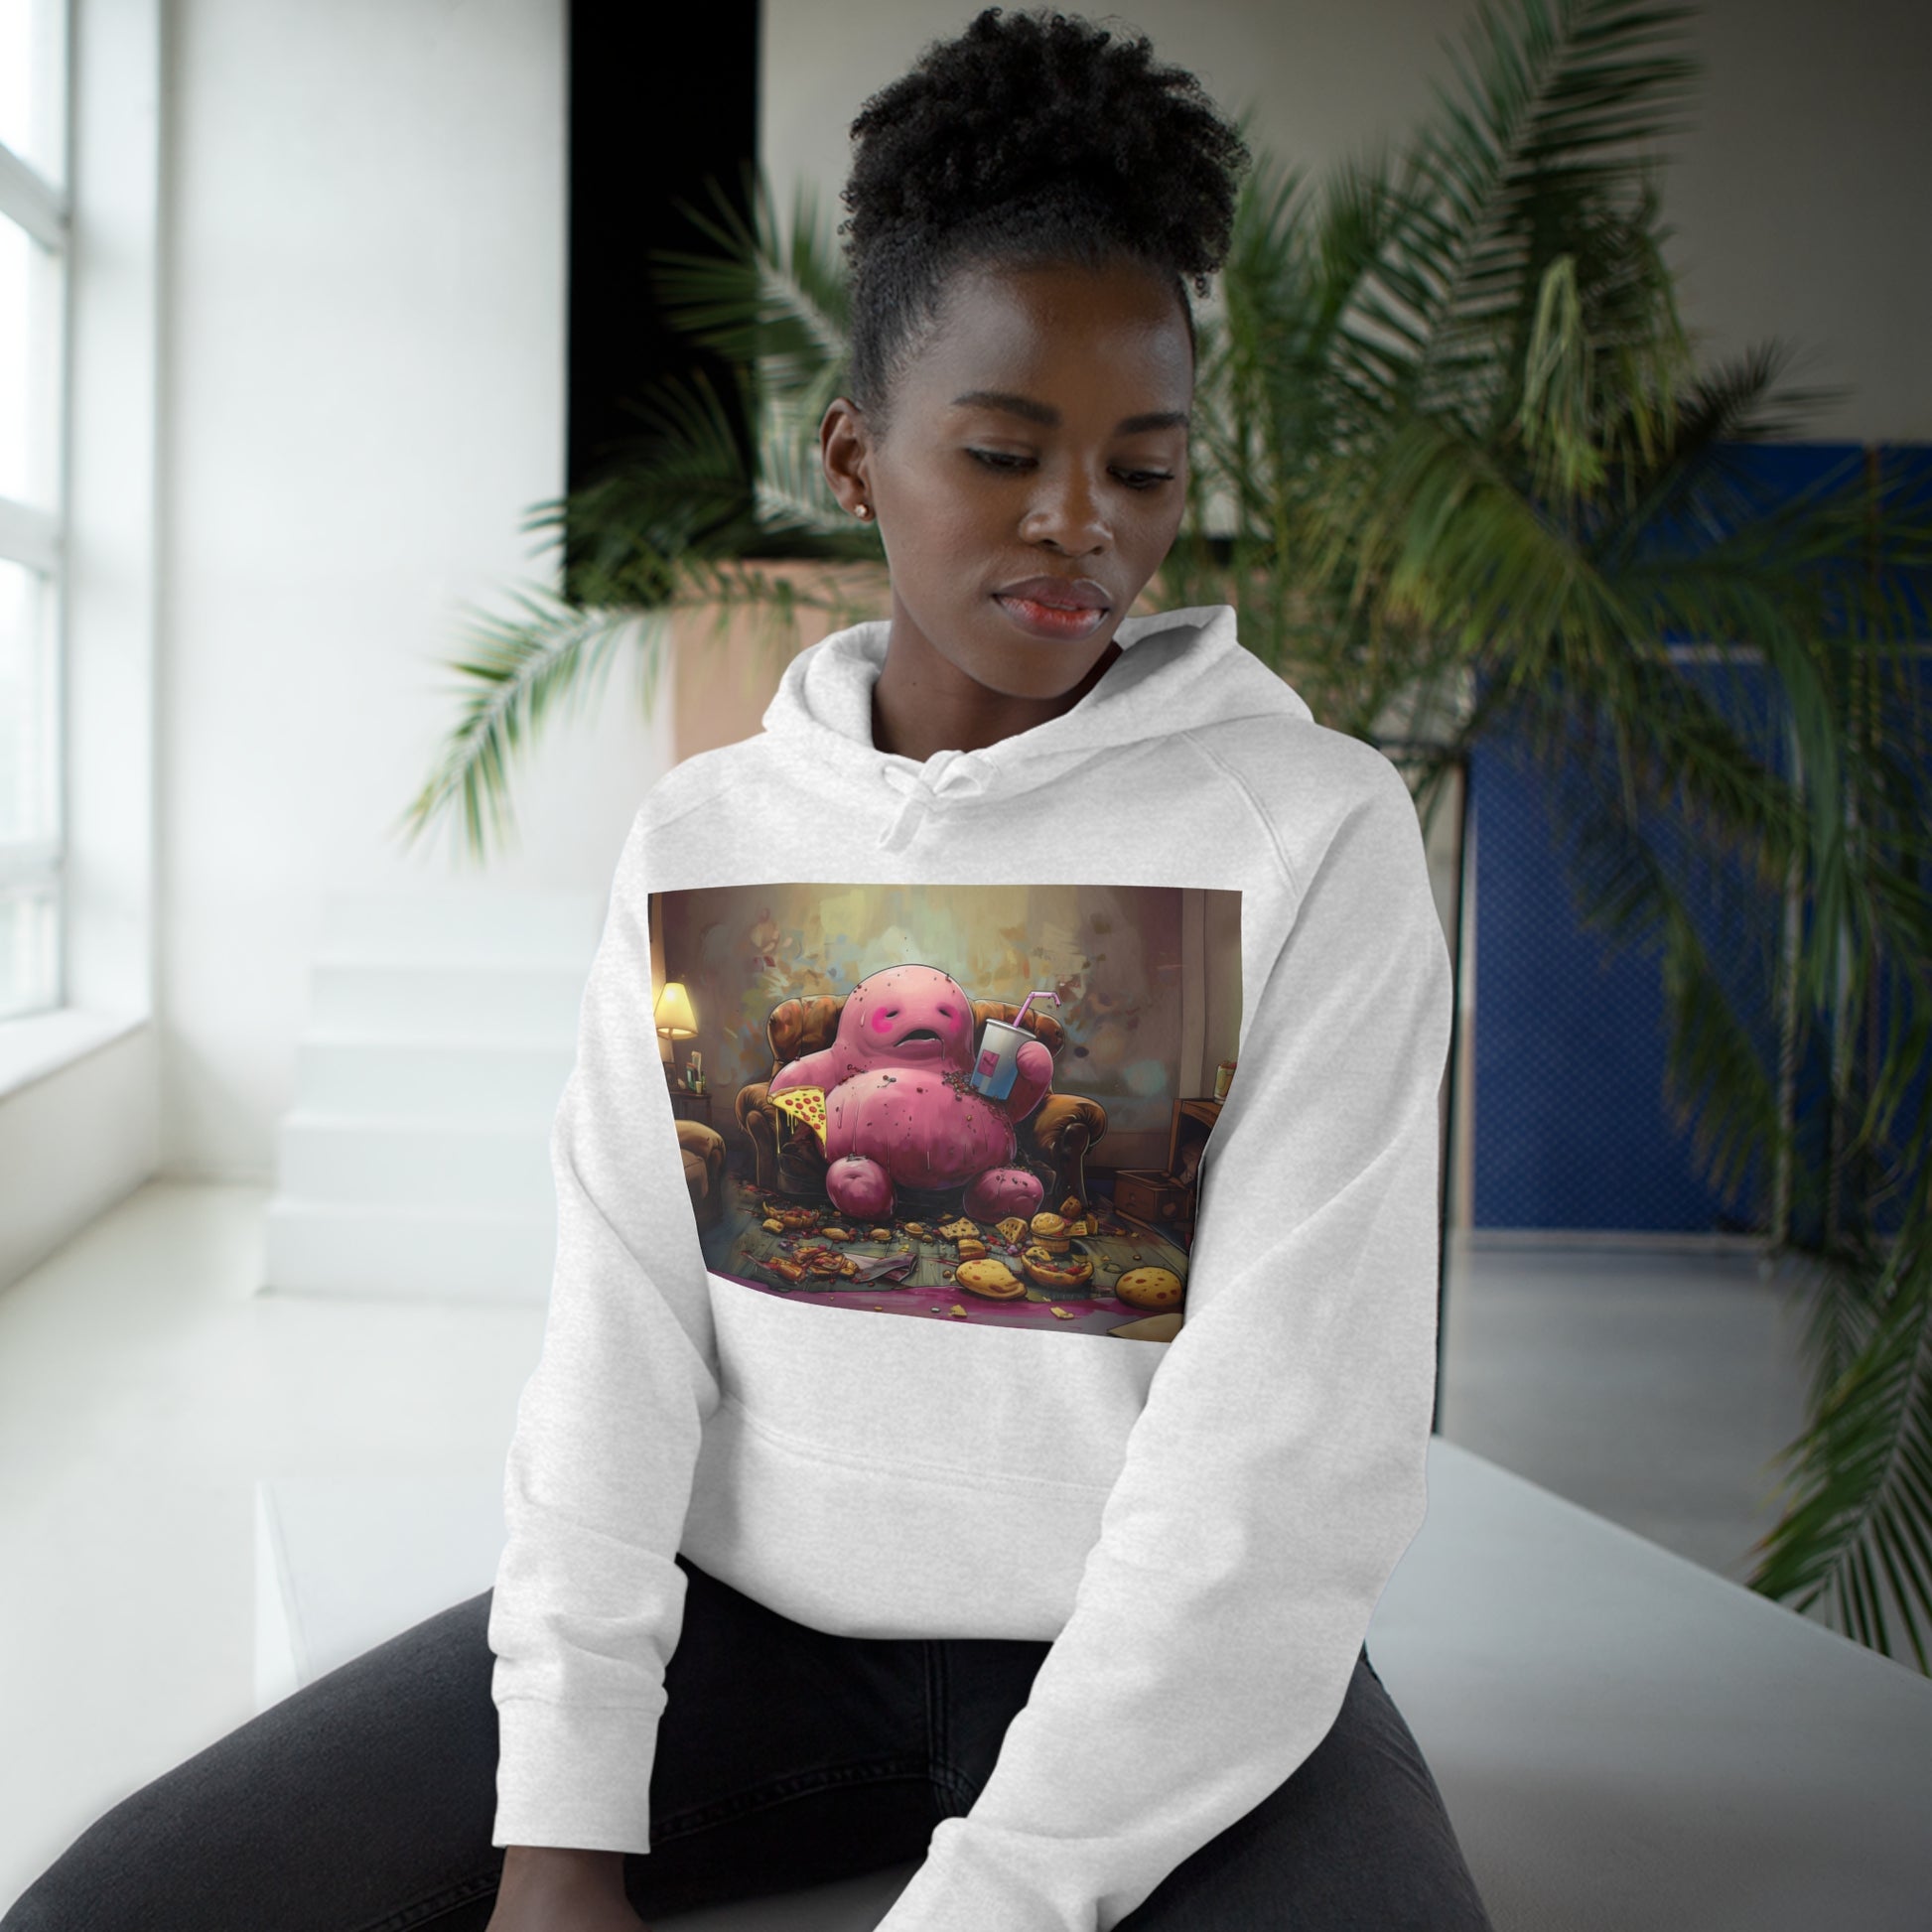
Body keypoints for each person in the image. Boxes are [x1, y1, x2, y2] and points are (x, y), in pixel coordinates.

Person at [2, 10, 1495, 1930]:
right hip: (753, 1639)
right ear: (853, 454)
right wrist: (561, 1829)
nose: (1082, 524)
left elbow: (1282, 1454)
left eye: (1144, 465)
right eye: (1003, 451)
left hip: (1165, 1657)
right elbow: (618, 1330)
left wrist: (999, 1894)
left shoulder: (1309, 828)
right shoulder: (702, 834)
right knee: (113, 1907)